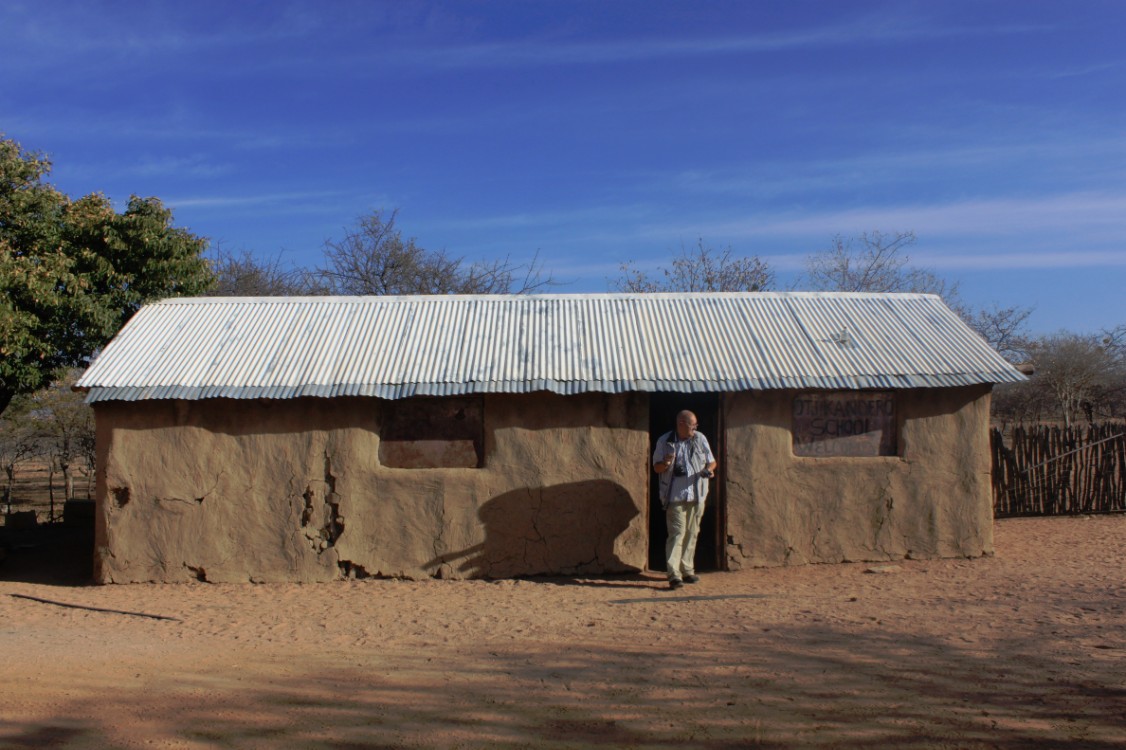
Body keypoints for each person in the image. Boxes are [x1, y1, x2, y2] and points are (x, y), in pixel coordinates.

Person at [652, 410, 717, 590]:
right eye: (692, 425)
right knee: (677, 534)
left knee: (692, 533)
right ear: (681, 424)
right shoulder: (665, 442)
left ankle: (687, 570)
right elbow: (656, 468)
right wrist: (665, 464)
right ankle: (674, 574)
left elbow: (712, 461)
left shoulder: (700, 438)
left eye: (696, 425)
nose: (695, 428)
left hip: (697, 495)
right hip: (675, 496)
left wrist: (709, 470)